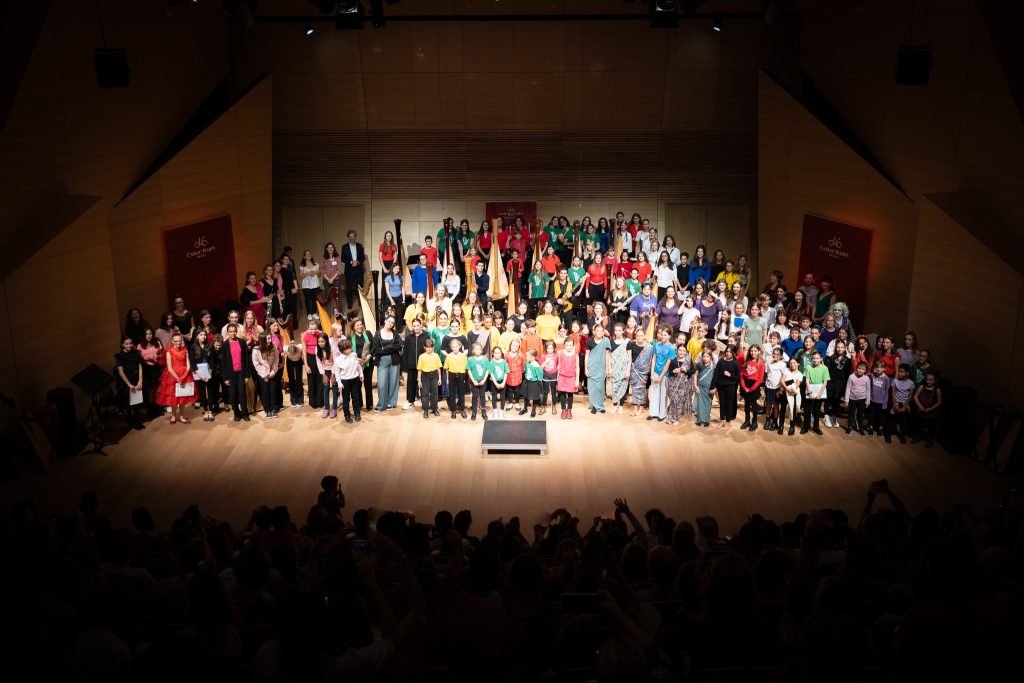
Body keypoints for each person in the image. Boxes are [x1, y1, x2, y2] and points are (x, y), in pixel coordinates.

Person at [156, 332, 197, 424]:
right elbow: (169, 368)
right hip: (173, 376)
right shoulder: (169, 352)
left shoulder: (185, 350)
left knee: (182, 397)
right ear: (172, 341)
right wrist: (178, 378)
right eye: (176, 341)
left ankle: (182, 416)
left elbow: (188, 365)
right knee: (174, 397)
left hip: (184, 375)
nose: (178, 343)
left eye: (180, 341)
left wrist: (184, 376)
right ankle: (173, 416)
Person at [114, 336, 145, 430]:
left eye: (130, 343)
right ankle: (131, 421)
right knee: (128, 403)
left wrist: (140, 380)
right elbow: (121, 372)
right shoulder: (120, 356)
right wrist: (129, 384)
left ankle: (137, 421)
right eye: (127, 344)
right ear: (122, 344)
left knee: (136, 402)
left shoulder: (135, 353)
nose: (129, 345)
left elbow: (140, 367)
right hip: (125, 382)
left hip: (135, 379)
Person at [221, 324, 250, 422]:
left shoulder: (242, 342)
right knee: (233, 395)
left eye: (234, 331)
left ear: (236, 331)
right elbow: (223, 363)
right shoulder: (224, 345)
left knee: (242, 394)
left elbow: (246, 359)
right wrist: (225, 378)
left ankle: (245, 413)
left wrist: (247, 374)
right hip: (231, 374)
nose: (232, 333)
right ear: (227, 332)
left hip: (241, 373)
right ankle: (236, 414)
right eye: (230, 331)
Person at [648, 326, 675, 422]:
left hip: (665, 374)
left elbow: (668, 364)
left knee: (663, 393)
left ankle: (662, 414)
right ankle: (653, 413)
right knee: (654, 392)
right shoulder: (657, 345)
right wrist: (652, 373)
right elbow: (654, 358)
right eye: (661, 334)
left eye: (665, 335)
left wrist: (660, 376)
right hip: (655, 371)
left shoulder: (671, 348)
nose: (662, 336)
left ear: (669, 336)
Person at [824, 340, 852, 429]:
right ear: (836, 348)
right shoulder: (831, 358)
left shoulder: (848, 360)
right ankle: (826, 416)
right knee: (829, 398)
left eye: (842, 347)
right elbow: (826, 371)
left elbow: (848, 373)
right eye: (838, 347)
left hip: (841, 383)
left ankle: (834, 417)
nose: (840, 349)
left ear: (845, 348)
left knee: (836, 399)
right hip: (830, 381)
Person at [252, 333, 281, 419]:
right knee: (265, 392)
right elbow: (256, 364)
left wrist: (273, 371)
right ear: (263, 340)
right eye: (268, 339)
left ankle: (273, 409)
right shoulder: (256, 350)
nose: (270, 341)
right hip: (262, 374)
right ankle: (267, 410)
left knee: (272, 391)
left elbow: (276, 358)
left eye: (270, 338)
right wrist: (265, 375)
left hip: (272, 372)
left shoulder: (273, 346)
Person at [189, 329, 215, 422]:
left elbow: (212, 360)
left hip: (209, 372)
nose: (203, 336)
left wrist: (210, 372)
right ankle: (205, 410)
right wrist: (200, 375)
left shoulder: (209, 346)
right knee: (202, 393)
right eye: (201, 335)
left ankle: (210, 411)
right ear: (197, 336)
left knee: (211, 392)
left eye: (204, 334)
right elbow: (192, 363)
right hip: (198, 373)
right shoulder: (193, 347)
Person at [402, 318, 428, 410]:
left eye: (418, 325)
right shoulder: (409, 337)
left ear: (421, 325)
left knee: (423, 384)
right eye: (414, 326)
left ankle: (425, 403)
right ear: (412, 326)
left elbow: (428, 349)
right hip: (412, 364)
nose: (416, 328)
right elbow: (405, 351)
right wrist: (405, 365)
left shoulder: (426, 335)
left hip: (423, 365)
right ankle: (410, 401)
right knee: (411, 384)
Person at [712, 344, 740, 429]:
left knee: (729, 404)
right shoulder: (721, 361)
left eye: (730, 352)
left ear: (733, 353)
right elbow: (716, 374)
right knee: (722, 404)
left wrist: (730, 375)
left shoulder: (735, 363)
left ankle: (728, 421)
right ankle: (722, 420)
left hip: (730, 387)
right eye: (727, 351)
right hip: (721, 386)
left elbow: (738, 378)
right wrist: (713, 386)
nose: (728, 353)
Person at [585, 324, 611, 414]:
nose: (599, 332)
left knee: (600, 388)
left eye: (601, 331)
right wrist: (586, 369)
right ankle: (594, 406)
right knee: (592, 388)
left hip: (601, 367)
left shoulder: (606, 341)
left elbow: (608, 356)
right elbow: (587, 355)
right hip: (591, 367)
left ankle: (600, 405)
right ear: (594, 332)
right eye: (597, 331)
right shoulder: (590, 341)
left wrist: (607, 368)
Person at [665, 344, 693, 427]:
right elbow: (669, 373)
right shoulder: (673, 361)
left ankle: (676, 419)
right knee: (673, 401)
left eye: (684, 351)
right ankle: (671, 417)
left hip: (683, 386)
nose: (681, 352)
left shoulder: (688, 360)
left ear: (686, 352)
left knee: (679, 402)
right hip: (673, 385)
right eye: (680, 350)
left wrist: (686, 370)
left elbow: (693, 371)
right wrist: (674, 371)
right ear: (677, 351)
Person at [335, 338, 362, 423]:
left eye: (350, 347)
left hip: (355, 379)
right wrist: (339, 383)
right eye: (348, 348)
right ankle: (347, 415)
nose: (351, 349)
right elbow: (337, 372)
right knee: (346, 399)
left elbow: (358, 366)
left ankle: (357, 413)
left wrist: (361, 374)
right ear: (343, 350)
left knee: (356, 397)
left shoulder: (354, 355)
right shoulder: (338, 360)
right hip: (345, 381)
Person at [912, 370, 942, 447]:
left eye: (931, 380)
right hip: (921, 410)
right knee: (919, 425)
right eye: (927, 379)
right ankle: (918, 436)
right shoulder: (922, 387)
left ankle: (929, 440)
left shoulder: (937, 390)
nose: (928, 381)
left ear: (935, 380)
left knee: (930, 427)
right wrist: (919, 406)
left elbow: (939, 402)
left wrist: (930, 409)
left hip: (931, 413)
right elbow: (915, 396)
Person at [739, 344, 765, 432]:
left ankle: (754, 422)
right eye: (751, 351)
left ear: (758, 352)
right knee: (746, 404)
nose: (752, 352)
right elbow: (742, 375)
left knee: (754, 405)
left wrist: (751, 388)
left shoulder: (760, 363)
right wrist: (744, 386)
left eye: (755, 351)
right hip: (745, 385)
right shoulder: (746, 361)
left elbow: (760, 378)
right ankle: (747, 421)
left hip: (754, 386)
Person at [628, 329, 654, 417]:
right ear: (635, 336)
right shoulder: (632, 344)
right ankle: (635, 408)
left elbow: (650, 360)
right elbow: (630, 358)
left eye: (641, 335)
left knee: (642, 389)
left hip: (643, 372)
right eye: (638, 336)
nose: (639, 337)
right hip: (634, 371)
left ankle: (641, 408)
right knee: (634, 389)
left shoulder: (649, 347)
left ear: (644, 336)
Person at [802, 351, 830, 435]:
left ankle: (816, 427)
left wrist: (820, 394)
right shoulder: (808, 367)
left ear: (821, 359)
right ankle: (805, 427)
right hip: (810, 390)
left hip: (819, 392)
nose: (815, 360)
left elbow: (825, 382)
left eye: (817, 358)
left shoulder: (824, 368)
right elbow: (807, 380)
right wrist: (810, 392)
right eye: (814, 358)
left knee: (817, 410)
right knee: (807, 410)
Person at [350, 318, 374, 409]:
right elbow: (348, 351)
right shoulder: (350, 337)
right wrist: (356, 358)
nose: (360, 326)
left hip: (368, 363)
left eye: (361, 324)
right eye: (357, 325)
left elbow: (373, 346)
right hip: (356, 364)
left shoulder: (368, 333)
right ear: (353, 327)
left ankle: (369, 404)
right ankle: (359, 404)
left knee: (368, 384)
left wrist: (369, 355)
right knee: (357, 385)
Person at [889, 364, 916, 444]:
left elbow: (910, 396)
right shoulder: (895, 381)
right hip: (895, 403)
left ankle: (902, 435)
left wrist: (905, 407)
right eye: (899, 371)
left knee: (903, 422)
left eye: (901, 372)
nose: (899, 373)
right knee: (891, 420)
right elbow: (893, 393)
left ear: (907, 373)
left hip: (904, 404)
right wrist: (894, 404)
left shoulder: (911, 383)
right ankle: (888, 434)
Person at [608, 323, 631, 414]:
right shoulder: (611, 342)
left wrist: (628, 370)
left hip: (624, 368)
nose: (617, 332)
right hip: (614, 368)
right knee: (614, 387)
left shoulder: (627, 342)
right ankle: (614, 406)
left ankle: (621, 406)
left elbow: (629, 357)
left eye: (619, 330)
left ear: (623, 331)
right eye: (616, 330)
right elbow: (609, 356)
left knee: (623, 387)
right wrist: (609, 368)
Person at [301, 317, 323, 410]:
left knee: (320, 379)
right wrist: (306, 365)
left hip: (319, 356)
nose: (313, 331)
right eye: (311, 329)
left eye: (314, 329)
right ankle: (313, 401)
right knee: (311, 380)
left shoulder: (320, 333)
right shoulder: (305, 335)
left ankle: (320, 401)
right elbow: (304, 352)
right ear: (308, 328)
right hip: (310, 357)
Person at [444, 338, 468, 419]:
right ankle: (453, 410)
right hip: (451, 375)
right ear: (451, 347)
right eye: (453, 347)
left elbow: (465, 368)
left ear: (459, 346)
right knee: (452, 393)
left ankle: (462, 409)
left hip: (461, 375)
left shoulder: (462, 356)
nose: (455, 348)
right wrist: (447, 378)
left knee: (461, 393)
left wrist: (464, 377)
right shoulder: (449, 356)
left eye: (456, 347)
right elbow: (446, 368)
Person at [843, 361, 870, 436]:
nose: (860, 370)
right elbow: (848, 388)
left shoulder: (867, 378)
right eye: (859, 368)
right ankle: (850, 427)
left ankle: (861, 428)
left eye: (863, 369)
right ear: (856, 368)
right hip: (852, 399)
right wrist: (846, 400)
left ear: (865, 370)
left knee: (860, 415)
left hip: (862, 399)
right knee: (851, 414)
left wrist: (868, 401)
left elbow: (868, 390)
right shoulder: (851, 376)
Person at [763, 346, 786, 431]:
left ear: (781, 356)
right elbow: (767, 374)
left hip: (777, 388)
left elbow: (784, 377)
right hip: (769, 387)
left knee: (776, 406)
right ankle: (767, 420)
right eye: (774, 354)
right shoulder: (769, 363)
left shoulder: (783, 365)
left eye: (777, 354)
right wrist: (765, 385)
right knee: (768, 405)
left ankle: (775, 422)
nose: (775, 355)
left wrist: (781, 389)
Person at [315, 333, 338, 419]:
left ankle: (334, 408)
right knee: (326, 389)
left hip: (334, 370)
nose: (320, 343)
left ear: (326, 341)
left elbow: (336, 362)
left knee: (335, 390)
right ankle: (326, 408)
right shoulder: (316, 349)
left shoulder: (332, 348)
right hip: (324, 371)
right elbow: (319, 363)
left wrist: (333, 374)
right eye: (319, 341)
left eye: (322, 341)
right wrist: (323, 374)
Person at [866, 360, 892, 438]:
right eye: (877, 367)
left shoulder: (886, 379)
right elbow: (870, 388)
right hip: (872, 400)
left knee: (881, 416)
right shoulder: (872, 375)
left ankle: (880, 429)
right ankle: (870, 427)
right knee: (871, 415)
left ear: (884, 368)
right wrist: (868, 399)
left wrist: (885, 403)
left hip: (881, 402)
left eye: (881, 368)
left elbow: (887, 392)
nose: (879, 369)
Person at [556, 337, 580, 419]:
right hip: (562, 376)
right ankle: (563, 410)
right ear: (564, 345)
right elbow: (558, 366)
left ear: (573, 346)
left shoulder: (576, 355)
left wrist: (577, 379)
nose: (568, 347)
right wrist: (557, 377)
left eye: (570, 345)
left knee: (570, 394)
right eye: (567, 345)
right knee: (562, 394)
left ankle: (569, 410)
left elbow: (577, 367)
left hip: (571, 377)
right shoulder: (560, 353)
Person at [467, 342, 490, 420]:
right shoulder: (471, 359)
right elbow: (469, 370)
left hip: (483, 381)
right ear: (473, 350)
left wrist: (484, 380)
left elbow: (487, 370)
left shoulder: (485, 359)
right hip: (474, 381)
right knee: (475, 396)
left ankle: (483, 410)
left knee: (482, 395)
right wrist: (473, 381)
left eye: (479, 349)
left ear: (481, 350)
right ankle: (474, 411)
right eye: (476, 349)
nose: (478, 351)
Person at [780, 357, 803, 435]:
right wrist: (786, 388)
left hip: (794, 394)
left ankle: (792, 427)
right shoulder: (786, 370)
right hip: (785, 392)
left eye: (794, 363)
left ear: (798, 364)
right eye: (790, 363)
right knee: (783, 409)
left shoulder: (800, 374)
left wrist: (791, 390)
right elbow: (782, 380)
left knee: (792, 410)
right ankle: (781, 426)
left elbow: (797, 385)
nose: (792, 365)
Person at [487, 347, 509, 418]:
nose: (497, 355)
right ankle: (495, 411)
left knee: (503, 397)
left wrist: (503, 383)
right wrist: (496, 383)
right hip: (494, 382)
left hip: (502, 381)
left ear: (501, 354)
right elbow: (492, 373)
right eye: (495, 353)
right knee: (494, 397)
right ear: (493, 353)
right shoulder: (491, 362)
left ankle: (502, 411)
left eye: (499, 353)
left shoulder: (504, 362)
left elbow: (506, 372)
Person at [523, 349, 544, 417]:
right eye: (526, 356)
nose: (526, 358)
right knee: (525, 395)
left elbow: (540, 376)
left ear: (533, 357)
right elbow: (525, 370)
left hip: (534, 383)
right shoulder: (527, 363)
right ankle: (525, 408)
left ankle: (533, 410)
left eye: (528, 356)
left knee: (534, 397)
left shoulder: (537, 366)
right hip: (527, 381)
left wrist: (536, 381)